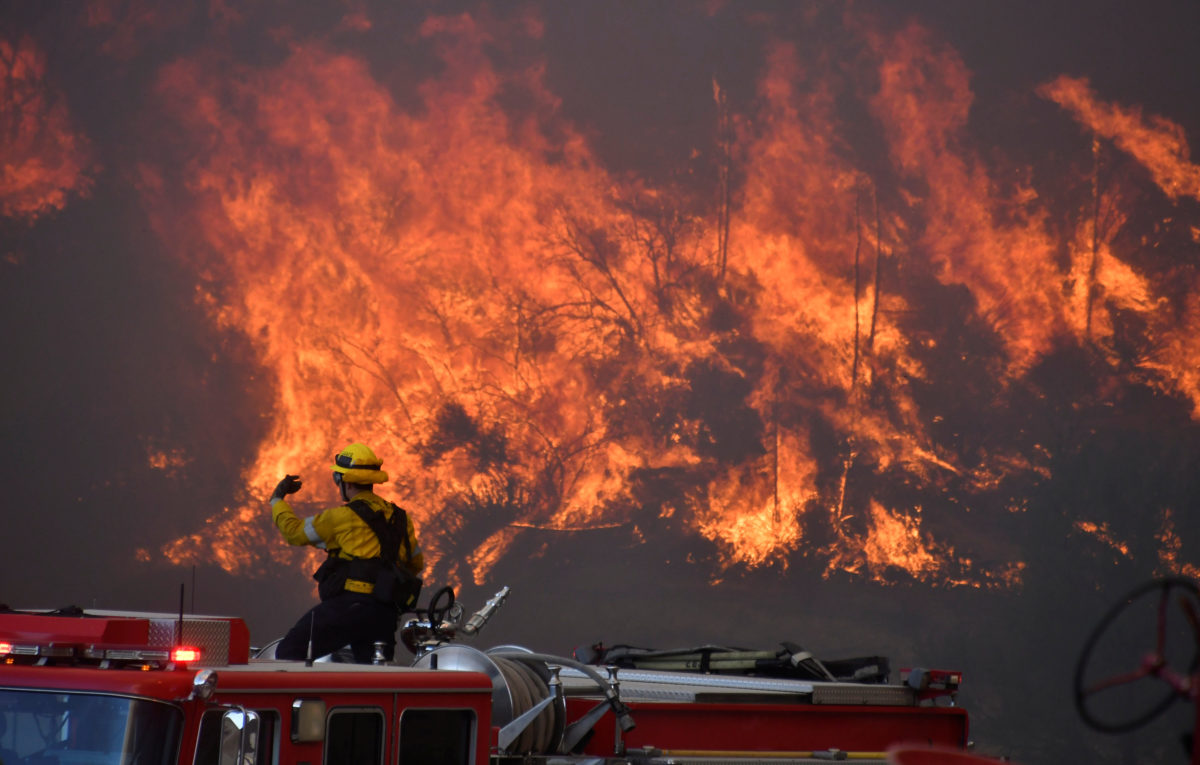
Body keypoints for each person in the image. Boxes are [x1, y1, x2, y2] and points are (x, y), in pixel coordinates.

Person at [269, 442, 424, 663]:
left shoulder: (340, 518)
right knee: (374, 677)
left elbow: (294, 533)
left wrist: (277, 501)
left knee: (289, 652)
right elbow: (415, 563)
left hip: (350, 607)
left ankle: (310, 699)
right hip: (385, 613)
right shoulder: (400, 518)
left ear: (346, 481)